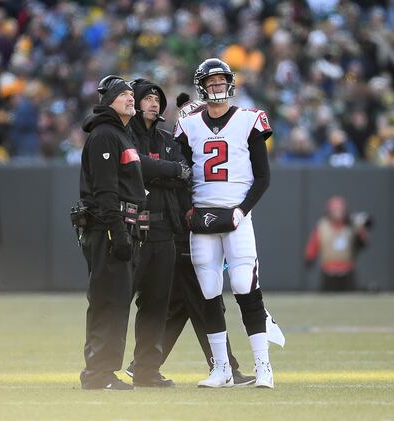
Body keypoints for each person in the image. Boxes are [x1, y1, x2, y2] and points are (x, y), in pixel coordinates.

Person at [174, 58, 274, 388]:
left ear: (229, 83)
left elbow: (262, 178)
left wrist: (241, 210)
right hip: (201, 216)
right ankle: (222, 369)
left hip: (236, 215)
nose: (217, 86)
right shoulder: (188, 124)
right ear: (202, 87)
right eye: (211, 82)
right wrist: (189, 209)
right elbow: (182, 175)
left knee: (245, 286)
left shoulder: (249, 119)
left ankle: (263, 367)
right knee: (209, 291)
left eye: (221, 81)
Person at [78, 75, 145, 391]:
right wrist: (117, 233)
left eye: (132, 93)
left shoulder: (120, 134)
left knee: (115, 301)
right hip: (107, 230)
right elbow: (105, 191)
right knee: (109, 300)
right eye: (123, 94)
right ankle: (99, 373)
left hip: (118, 229)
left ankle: (99, 370)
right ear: (108, 101)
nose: (131, 98)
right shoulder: (105, 135)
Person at [125, 78, 191, 388]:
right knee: (118, 300)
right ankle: (102, 368)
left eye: (157, 98)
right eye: (148, 97)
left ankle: (147, 370)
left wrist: (162, 170)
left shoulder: (167, 139)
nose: (154, 102)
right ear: (134, 101)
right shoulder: (123, 136)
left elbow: (183, 173)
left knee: (156, 304)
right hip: (133, 229)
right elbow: (137, 169)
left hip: (164, 229)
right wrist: (169, 170)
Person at [305, 196, 370, 291]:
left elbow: (362, 244)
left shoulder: (351, 226)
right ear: (329, 211)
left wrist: (361, 229)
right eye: (336, 210)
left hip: (347, 271)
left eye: (341, 210)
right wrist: (309, 257)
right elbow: (313, 245)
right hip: (328, 272)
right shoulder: (322, 226)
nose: (339, 213)